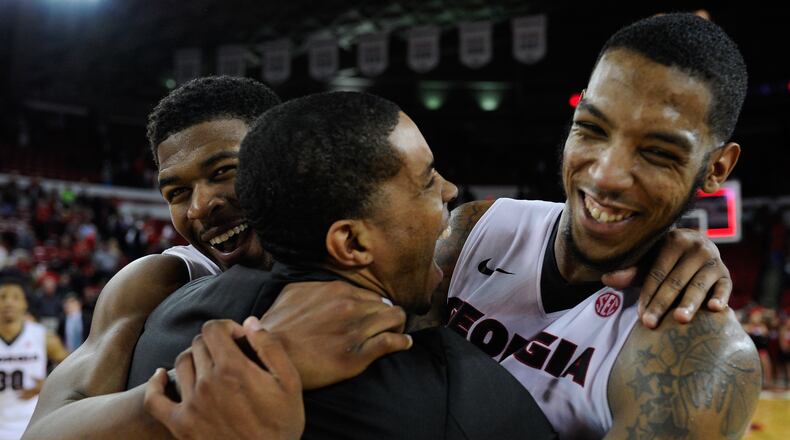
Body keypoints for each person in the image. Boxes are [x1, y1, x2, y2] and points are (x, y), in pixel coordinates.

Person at [140, 91, 558, 439]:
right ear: (351, 242)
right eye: (426, 181)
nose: (450, 190)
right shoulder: (462, 390)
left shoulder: (166, 320)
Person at [24, 77, 411, 440]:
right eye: (176, 192)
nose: (199, 207)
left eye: (224, 171)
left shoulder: (378, 251)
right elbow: (44, 431)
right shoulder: (160, 279)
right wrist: (232, 372)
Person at [439, 13, 760, 438]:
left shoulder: (704, 355)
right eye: (592, 128)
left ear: (716, 168)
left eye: (658, 152)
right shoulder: (474, 233)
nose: (606, 175)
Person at [0, 272, 68, 440]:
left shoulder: (42, 336)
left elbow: (74, 370)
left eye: (16, 297)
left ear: (25, 304)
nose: (8, 302)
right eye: (2, 297)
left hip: (32, 424)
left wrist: (48, 385)